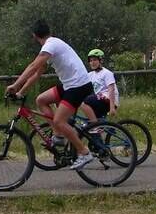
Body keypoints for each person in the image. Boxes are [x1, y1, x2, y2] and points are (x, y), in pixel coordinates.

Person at [5, 20, 96, 170]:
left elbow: (33, 65)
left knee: (60, 120)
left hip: (79, 86)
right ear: (48, 31)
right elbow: (36, 74)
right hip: (69, 85)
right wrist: (21, 92)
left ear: (34, 36)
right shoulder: (50, 47)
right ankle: (59, 136)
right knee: (41, 100)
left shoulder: (50, 45)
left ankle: (84, 152)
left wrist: (15, 85)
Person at [81, 49, 119, 123]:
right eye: (90, 61)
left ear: (101, 61)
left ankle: (94, 124)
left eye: (95, 60)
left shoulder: (107, 73)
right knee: (89, 128)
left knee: (84, 102)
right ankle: (97, 128)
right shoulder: (90, 75)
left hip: (108, 100)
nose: (92, 63)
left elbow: (111, 90)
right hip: (99, 100)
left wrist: (112, 108)